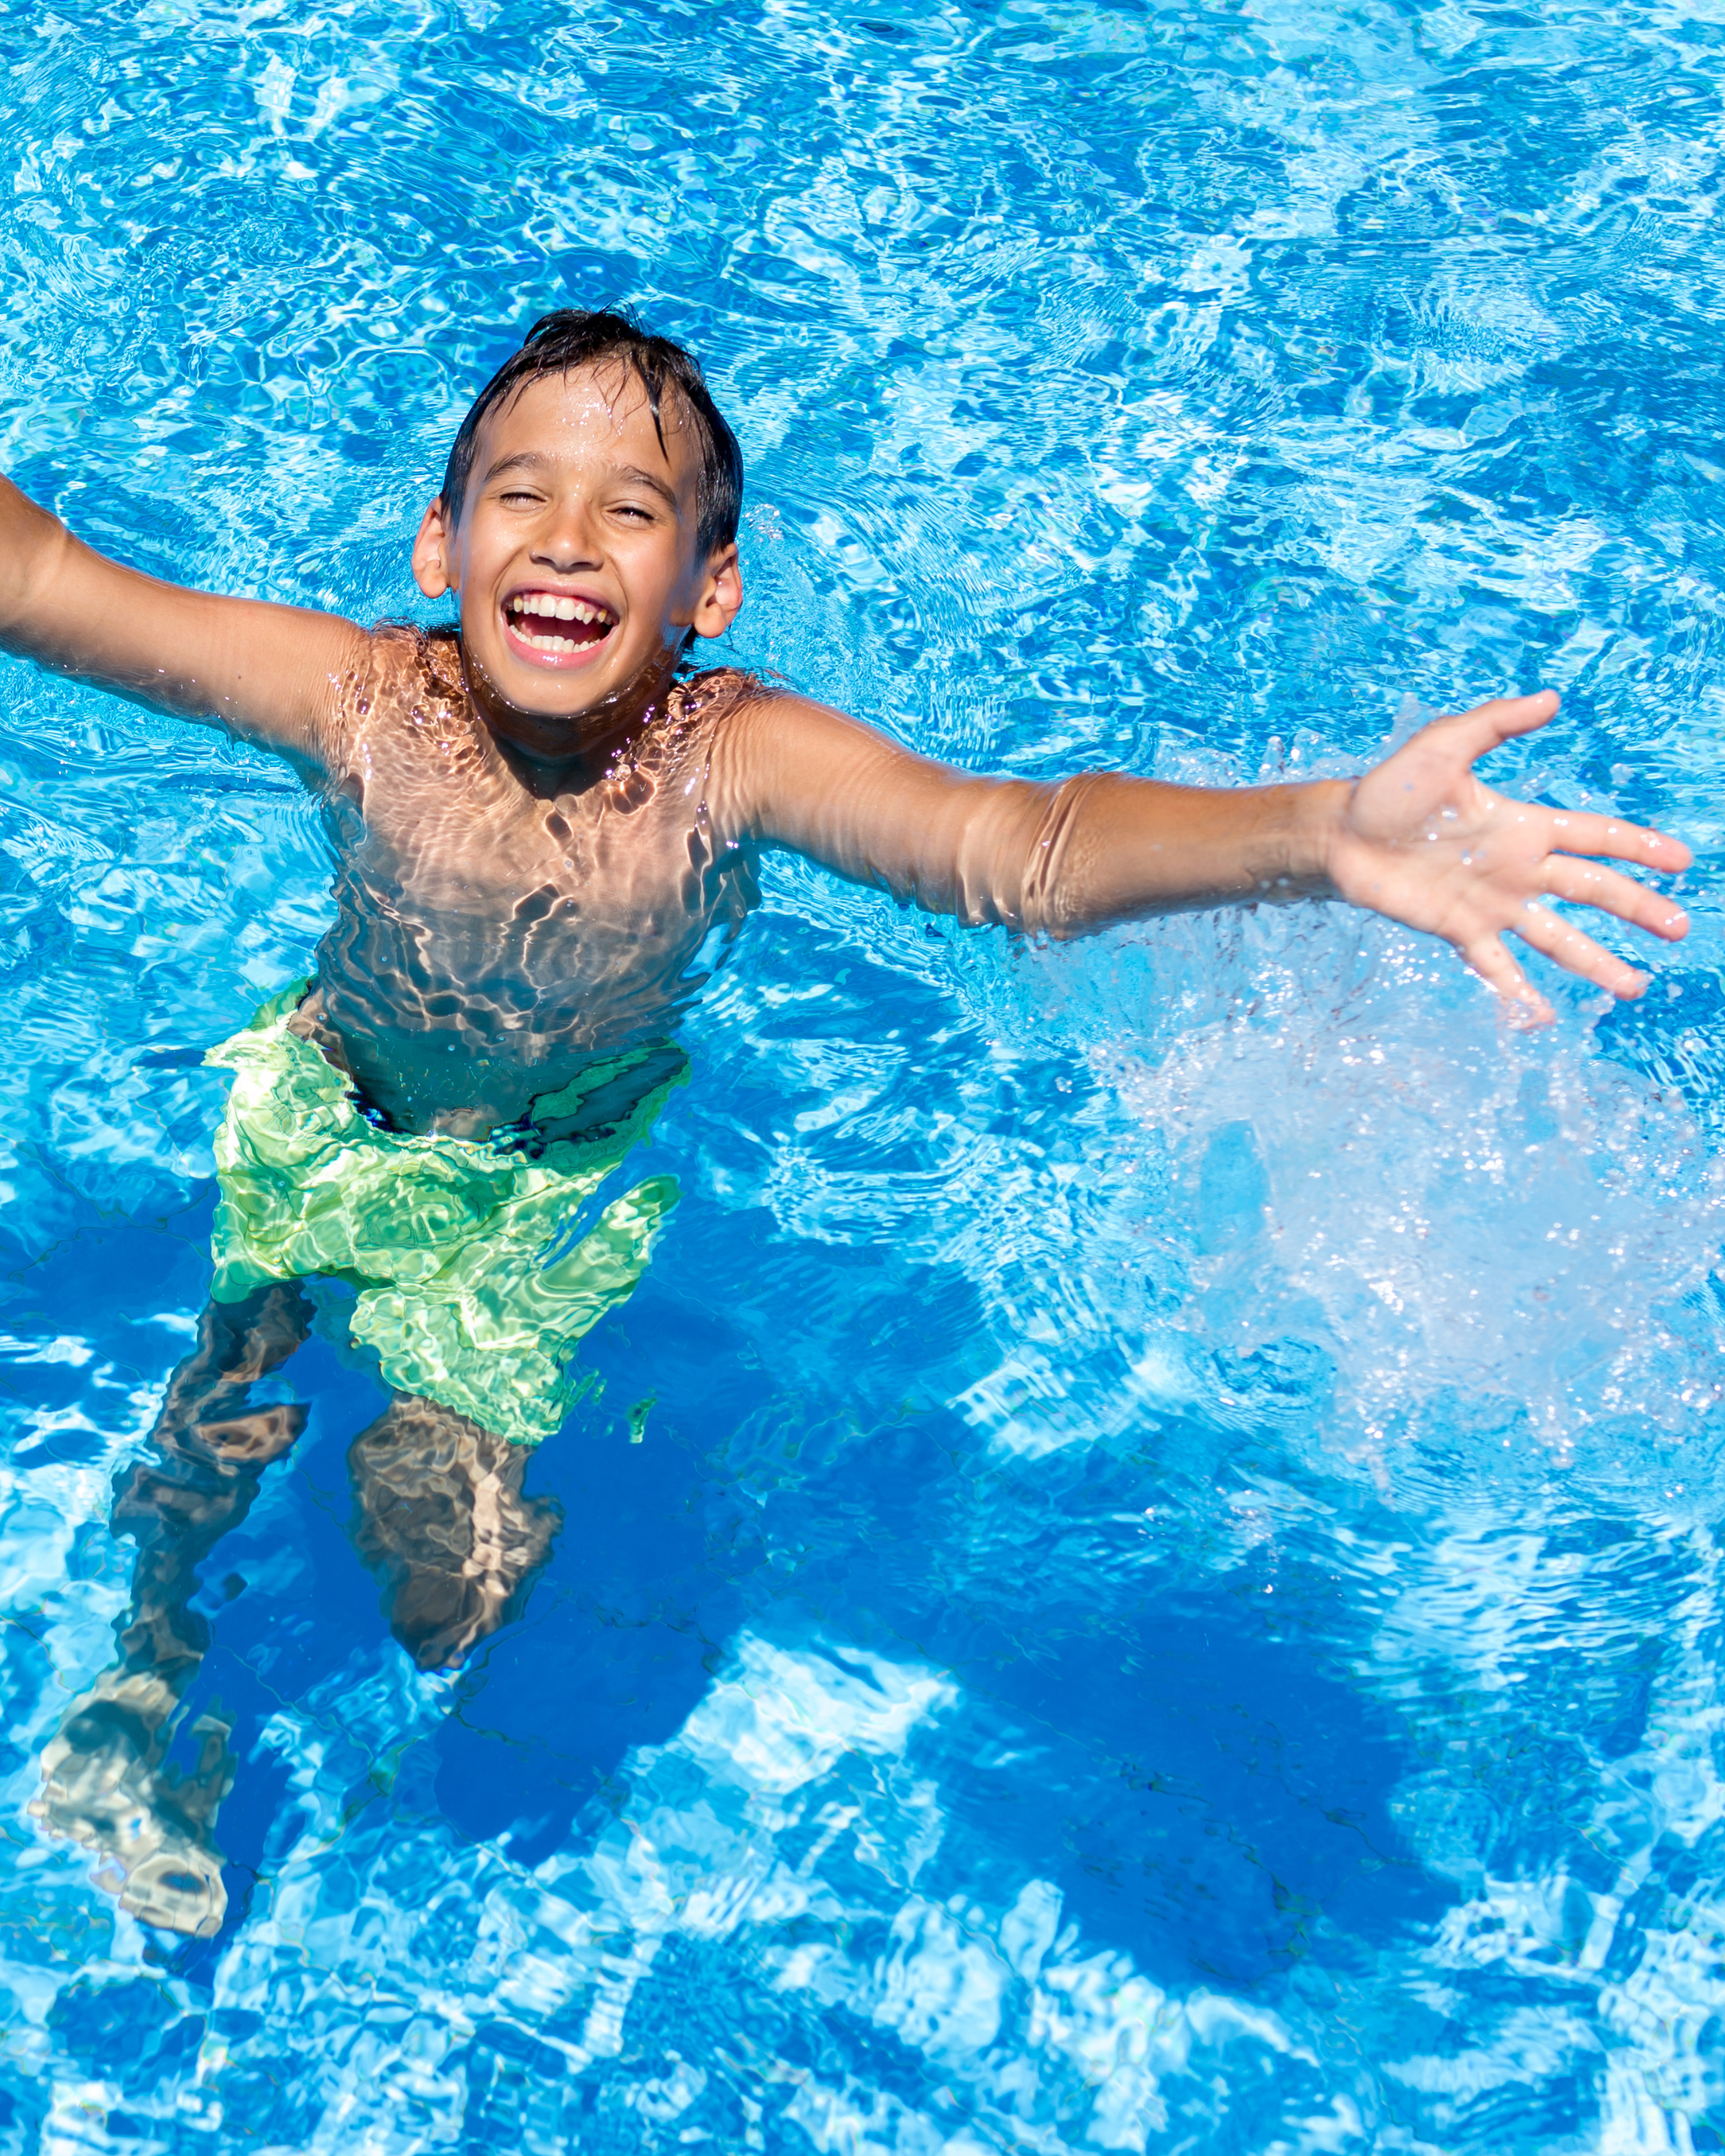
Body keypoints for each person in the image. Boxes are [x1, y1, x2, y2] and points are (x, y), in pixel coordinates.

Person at [2, 307, 1690, 1929]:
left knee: (446, 1587)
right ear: (439, 546)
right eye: (522, 492)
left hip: (545, 1181)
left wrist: (1317, 835)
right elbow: (48, 585)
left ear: (708, 590)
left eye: (633, 508)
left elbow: (1011, 854)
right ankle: (140, 1696)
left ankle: (377, 1786)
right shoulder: (357, 697)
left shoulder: (726, 760)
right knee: (215, 1425)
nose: (572, 536)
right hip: (330, 1106)